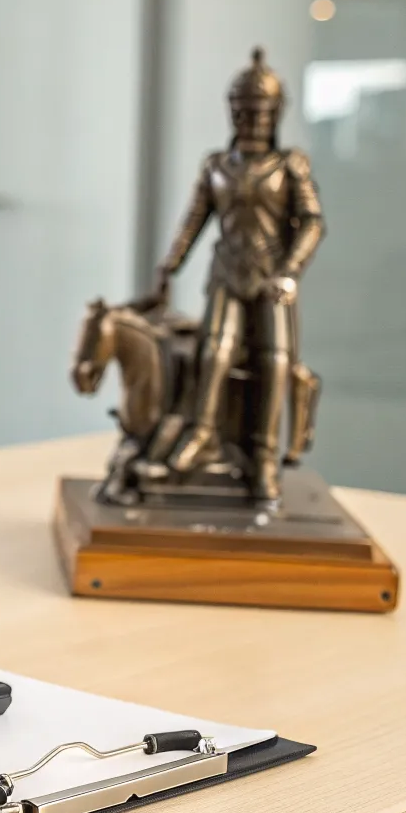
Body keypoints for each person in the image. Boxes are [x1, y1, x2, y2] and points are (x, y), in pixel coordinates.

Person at [148, 48, 324, 504]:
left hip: (272, 281)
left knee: (275, 363)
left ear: (275, 114)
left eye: (260, 112)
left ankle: (264, 460)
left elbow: (312, 222)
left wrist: (289, 273)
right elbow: (194, 220)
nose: (250, 120)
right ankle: (202, 435)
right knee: (214, 352)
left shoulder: (290, 167)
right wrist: (170, 265)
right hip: (227, 273)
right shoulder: (216, 166)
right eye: (243, 111)